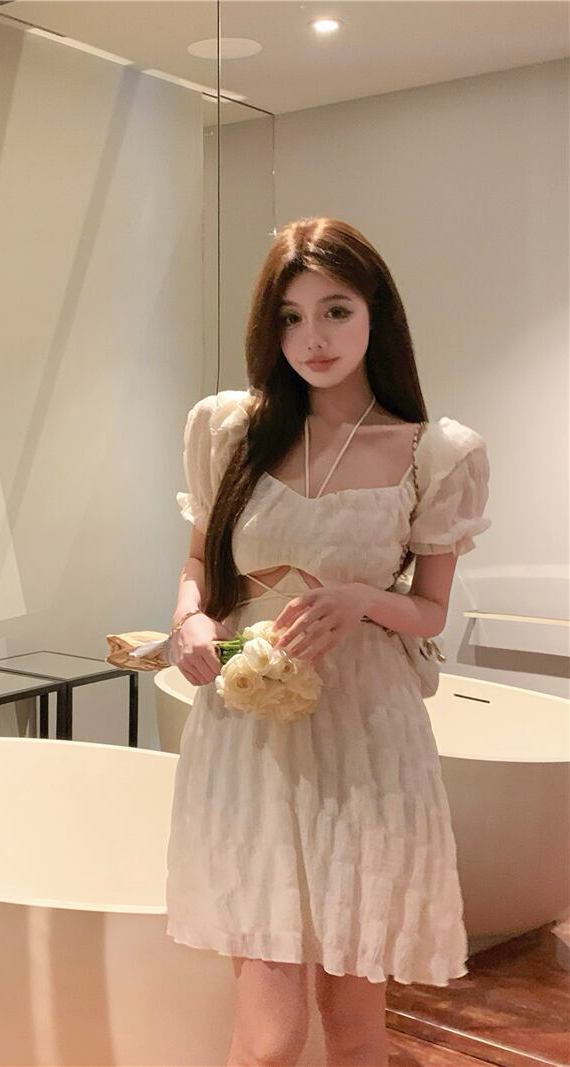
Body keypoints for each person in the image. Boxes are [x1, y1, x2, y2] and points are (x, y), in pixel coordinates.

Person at [164, 217, 492, 1067]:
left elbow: (430, 611)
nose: (313, 337)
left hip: (367, 741)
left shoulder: (432, 453)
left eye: (335, 310)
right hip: (249, 740)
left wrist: (362, 600)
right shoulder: (229, 431)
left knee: (354, 1026)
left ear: (377, 313)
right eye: (291, 316)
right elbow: (199, 561)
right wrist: (190, 619)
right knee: (270, 1037)